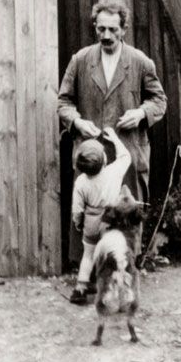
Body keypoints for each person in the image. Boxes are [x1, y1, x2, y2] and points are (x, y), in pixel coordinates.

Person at [58, 0, 166, 263]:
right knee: (92, 215)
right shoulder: (81, 60)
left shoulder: (140, 62)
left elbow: (159, 100)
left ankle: (126, 267)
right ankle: (91, 269)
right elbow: (63, 101)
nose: (106, 35)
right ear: (95, 27)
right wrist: (77, 122)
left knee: (125, 213)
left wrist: (140, 113)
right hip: (93, 154)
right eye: (101, 29)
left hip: (126, 152)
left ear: (123, 30)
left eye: (113, 30)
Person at [69, 128, 132, 304]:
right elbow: (126, 157)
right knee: (112, 257)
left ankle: (80, 289)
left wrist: (77, 222)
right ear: (104, 160)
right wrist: (115, 139)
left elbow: (77, 209)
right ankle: (112, 291)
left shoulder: (81, 182)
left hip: (91, 221)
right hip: (110, 221)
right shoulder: (113, 172)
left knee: (88, 256)